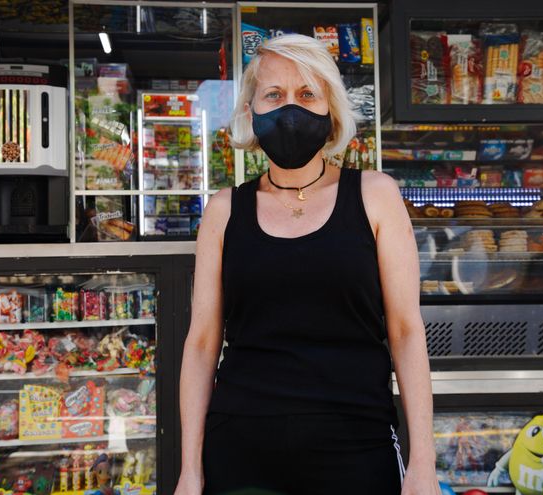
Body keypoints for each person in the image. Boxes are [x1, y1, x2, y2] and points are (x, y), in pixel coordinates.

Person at [175, 33, 438, 495]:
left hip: (357, 448)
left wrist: (423, 463)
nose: (289, 109)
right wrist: (190, 471)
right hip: (240, 452)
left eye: (306, 94)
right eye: (273, 95)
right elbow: (201, 344)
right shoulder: (223, 210)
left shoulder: (375, 196)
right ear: (251, 110)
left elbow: (406, 331)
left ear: (330, 108)